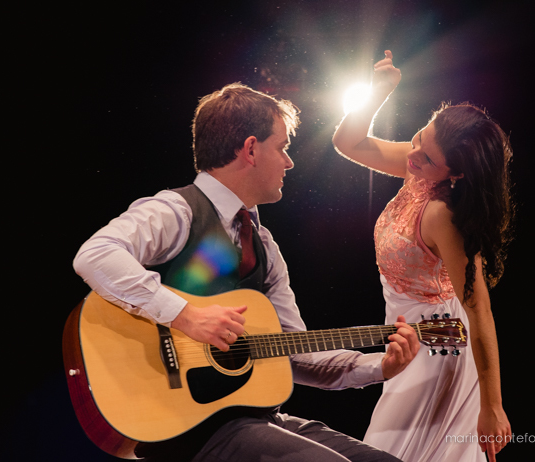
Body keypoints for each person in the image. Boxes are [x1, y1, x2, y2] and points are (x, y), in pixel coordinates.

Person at [73, 82, 421, 462]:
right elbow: (95, 254)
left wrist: (379, 366)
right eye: (282, 147)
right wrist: (185, 316)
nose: (288, 162)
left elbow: (293, 352)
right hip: (188, 426)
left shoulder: (265, 245)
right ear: (251, 149)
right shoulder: (177, 211)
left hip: (256, 419)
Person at [332, 51, 513, 462]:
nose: (412, 156)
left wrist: (492, 406)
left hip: (439, 343)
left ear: (457, 174)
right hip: (408, 337)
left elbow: (479, 310)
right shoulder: (419, 165)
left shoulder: (444, 216)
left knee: (385, 453)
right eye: (418, 138)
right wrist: (379, 92)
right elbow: (348, 142)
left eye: (427, 158)